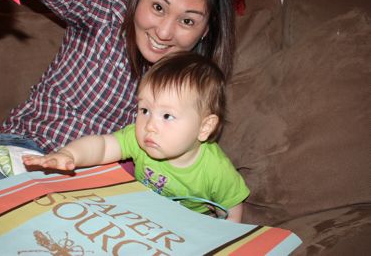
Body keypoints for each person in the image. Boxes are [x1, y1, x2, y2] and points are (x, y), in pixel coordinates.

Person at [0, 0, 236, 254]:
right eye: (157, 7)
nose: (164, 33)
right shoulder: (106, 9)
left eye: (187, 20)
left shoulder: (199, 83)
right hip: (27, 152)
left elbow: (199, 181)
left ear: (205, 29)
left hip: (99, 196)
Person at [23, 52, 249, 222]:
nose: (150, 126)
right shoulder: (139, 141)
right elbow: (102, 145)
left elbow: (231, 211)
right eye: (144, 110)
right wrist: (68, 154)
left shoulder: (215, 170)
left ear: (204, 127)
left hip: (183, 228)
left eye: (167, 115)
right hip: (138, 217)